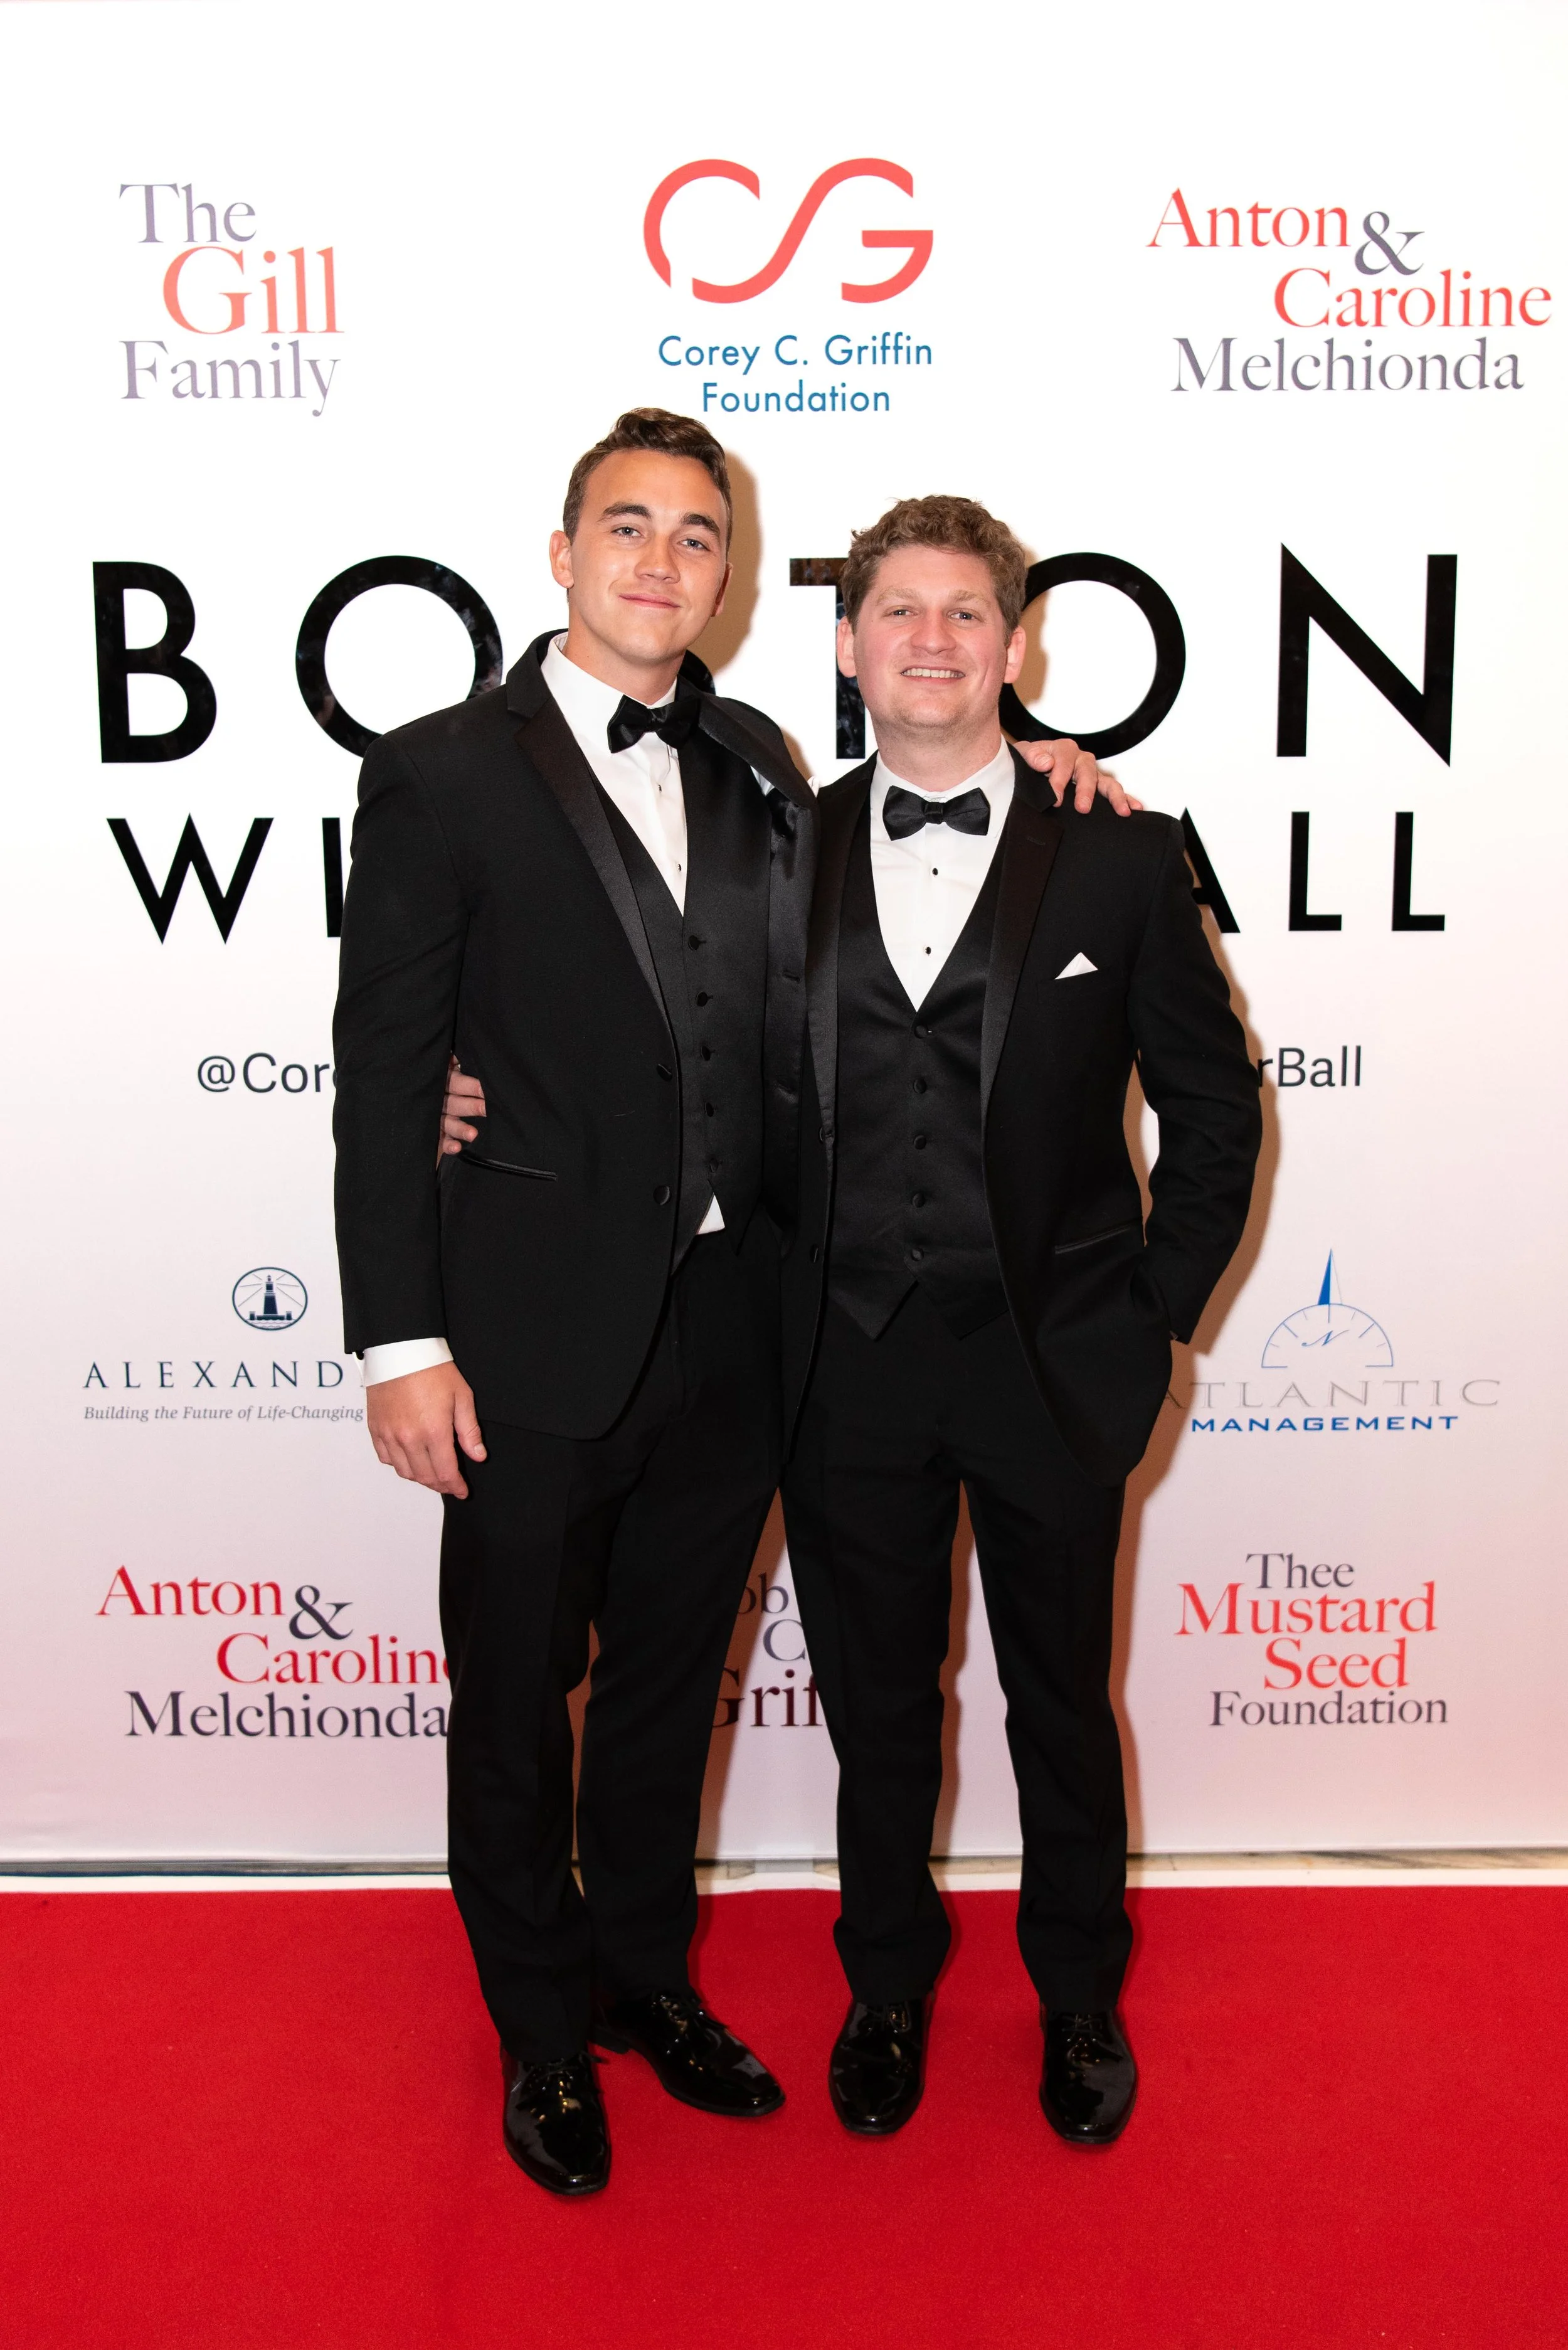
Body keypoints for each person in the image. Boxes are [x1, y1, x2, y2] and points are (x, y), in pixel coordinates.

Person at [336, 411, 1116, 2198]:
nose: (661, 562)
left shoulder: (762, 762)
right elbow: (383, 1070)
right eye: (628, 527)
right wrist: (402, 1338)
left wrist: (1048, 770)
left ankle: (642, 1979)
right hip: (522, 1331)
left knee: (664, 1686)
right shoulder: (441, 773)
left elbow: (927, 839)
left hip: (738, 1320)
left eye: (697, 537)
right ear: (561, 555)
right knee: (517, 1696)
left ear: (730, 579)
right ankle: (541, 2031)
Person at [775, 496, 1261, 2149]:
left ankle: (1076, 1994)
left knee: (1060, 1700)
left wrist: (1155, 1316)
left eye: (964, 612)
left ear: (1016, 645)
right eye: (896, 611)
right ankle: (885, 1985)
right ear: (850, 646)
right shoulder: (778, 852)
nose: (930, 639)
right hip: (841, 1362)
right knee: (877, 1710)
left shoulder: (1118, 853)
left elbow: (1214, 1110)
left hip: (1056, 1361)